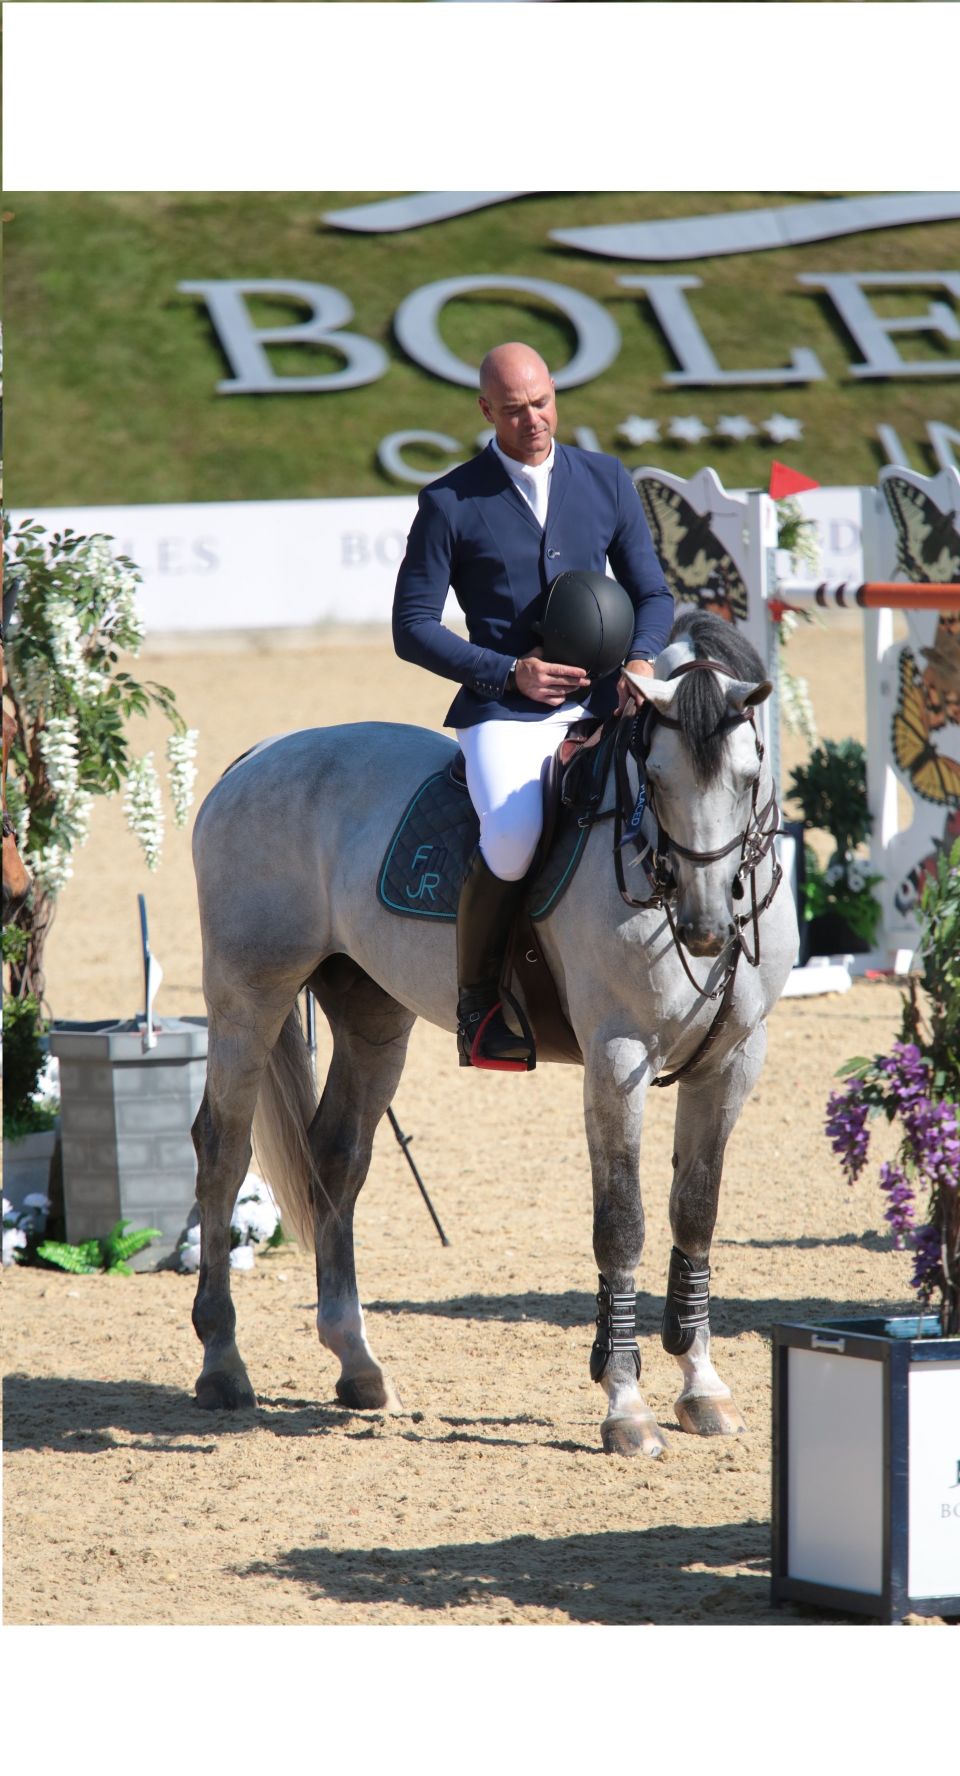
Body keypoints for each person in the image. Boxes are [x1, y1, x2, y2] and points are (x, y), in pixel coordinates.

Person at [393, 341, 674, 1071]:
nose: (535, 420)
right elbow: (412, 626)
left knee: (691, 784)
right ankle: (479, 1005)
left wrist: (641, 658)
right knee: (514, 835)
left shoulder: (606, 479)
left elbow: (653, 592)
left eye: (543, 401)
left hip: (611, 697)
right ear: (486, 411)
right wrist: (505, 673)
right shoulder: (450, 501)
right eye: (515, 410)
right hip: (508, 712)